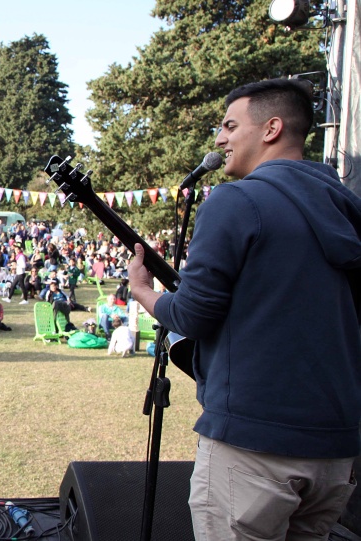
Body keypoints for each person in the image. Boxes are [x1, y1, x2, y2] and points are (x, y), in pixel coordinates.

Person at [128, 79, 361, 540]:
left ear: (272, 128)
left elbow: (193, 315)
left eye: (230, 125)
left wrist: (143, 292)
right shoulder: (348, 206)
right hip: (337, 450)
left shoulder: (236, 201)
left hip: (254, 446)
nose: (219, 138)